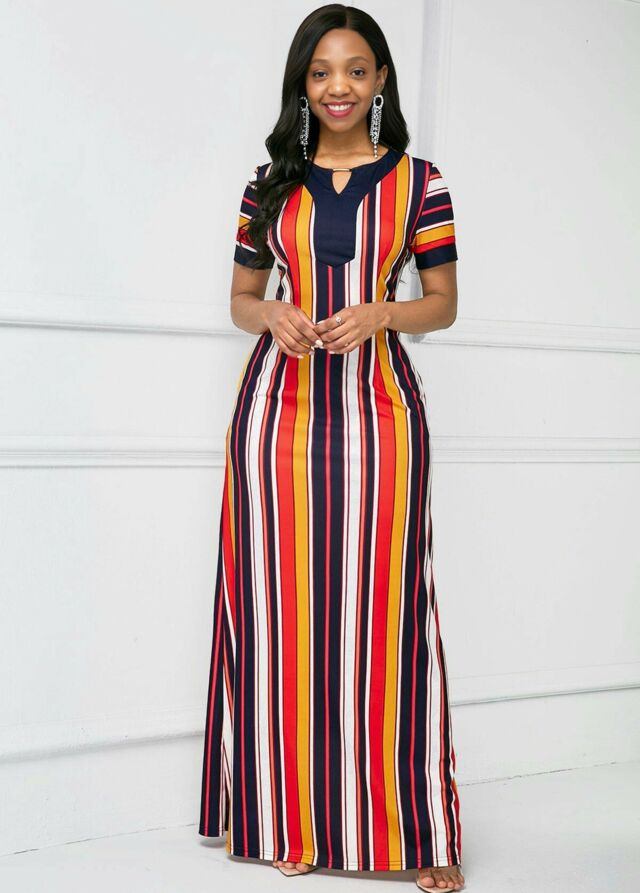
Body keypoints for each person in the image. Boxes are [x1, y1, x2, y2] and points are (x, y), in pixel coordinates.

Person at [199, 5, 464, 891]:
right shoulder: (268, 184)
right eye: (320, 72)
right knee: (280, 616)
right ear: (302, 84)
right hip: (276, 417)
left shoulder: (422, 183)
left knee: (390, 615)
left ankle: (422, 832)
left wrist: (384, 311)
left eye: (354, 69)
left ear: (380, 79)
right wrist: (269, 312)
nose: (337, 87)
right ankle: (292, 816)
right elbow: (241, 298)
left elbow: (443, 304)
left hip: (381, 412)